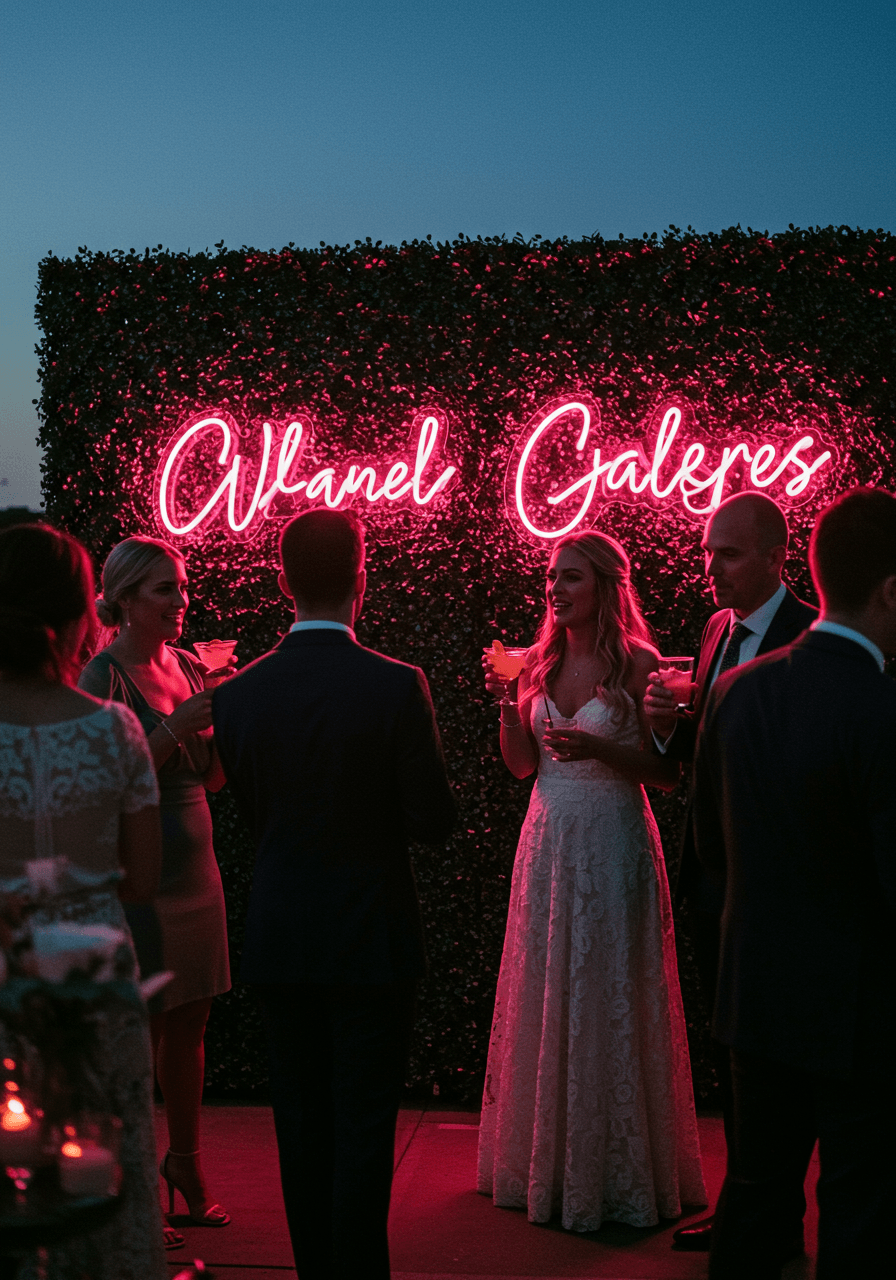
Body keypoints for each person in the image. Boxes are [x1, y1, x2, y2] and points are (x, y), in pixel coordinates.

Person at [212, 508, 456, 1280]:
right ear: (362, 578)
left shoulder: (240, 694)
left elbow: (252, 810)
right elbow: (432, 821)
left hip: (282, 930)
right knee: (363, 1127)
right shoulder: (396, 685)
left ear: (281, 581)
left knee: (301, 1129)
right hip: (372, 934)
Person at [692, 487, 896, 1279]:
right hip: (860, 1015)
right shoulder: (882, 708)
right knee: (862, 1215)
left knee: (754, 1204)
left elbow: (712, 845)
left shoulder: (738, 692)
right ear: (889, 591)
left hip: (754, 999)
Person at [477, 530, 706, 1232]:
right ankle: (544, 1163)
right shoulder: (539, 664)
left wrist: (603, 746)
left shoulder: (640, 664)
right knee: (550, 987)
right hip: (548, 840)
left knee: (611, 991)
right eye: (551, 578)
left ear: (606, 586)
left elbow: (669, 776)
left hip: (613, 840)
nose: (555, 590)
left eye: (570, 577)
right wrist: (505, 699)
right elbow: (521, 766)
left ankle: (616, 1169)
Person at [643, 490, 816, 1254]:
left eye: (730, 553)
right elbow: (697, 761)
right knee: (727, 1042)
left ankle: (768, 1215)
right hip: (714, 877)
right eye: (709, 551)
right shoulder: (717, 629)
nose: (711, 568)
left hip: (778, 883)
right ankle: (745, 1203)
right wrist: (666, 726)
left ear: (778, 556)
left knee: (779, 1057)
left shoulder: (812, 634)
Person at [0, 523, 167, 1280]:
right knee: (99, 1149)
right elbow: (141, 878)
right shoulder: (115, 731)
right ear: (78, 617)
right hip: (95, 971)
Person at [79, 536, 231, 1234]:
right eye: (166, 589)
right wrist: (172, 728)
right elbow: (97, 787)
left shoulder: (194, 667)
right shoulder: (99, 679)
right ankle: (135, 1175)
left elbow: (215, 779)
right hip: (141, 872)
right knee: (141, 1026)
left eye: (182, 586)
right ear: (127, 600)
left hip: (197, 865)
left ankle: (188, 1161)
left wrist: (222, 727)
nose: (183, 600)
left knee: (192, 1018)